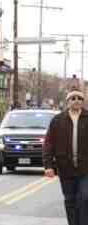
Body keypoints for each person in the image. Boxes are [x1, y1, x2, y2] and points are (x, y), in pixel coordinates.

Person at [43, 87, 88, 225]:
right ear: (68, 101)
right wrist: (48, 166)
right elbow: (49, 144)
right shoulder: (57, 120)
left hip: (85, 168)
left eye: (79, 98)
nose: (76, 101)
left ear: (83, 101)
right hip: (65, 168)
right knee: (70, 200)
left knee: (85, 198)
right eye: (73, 98)